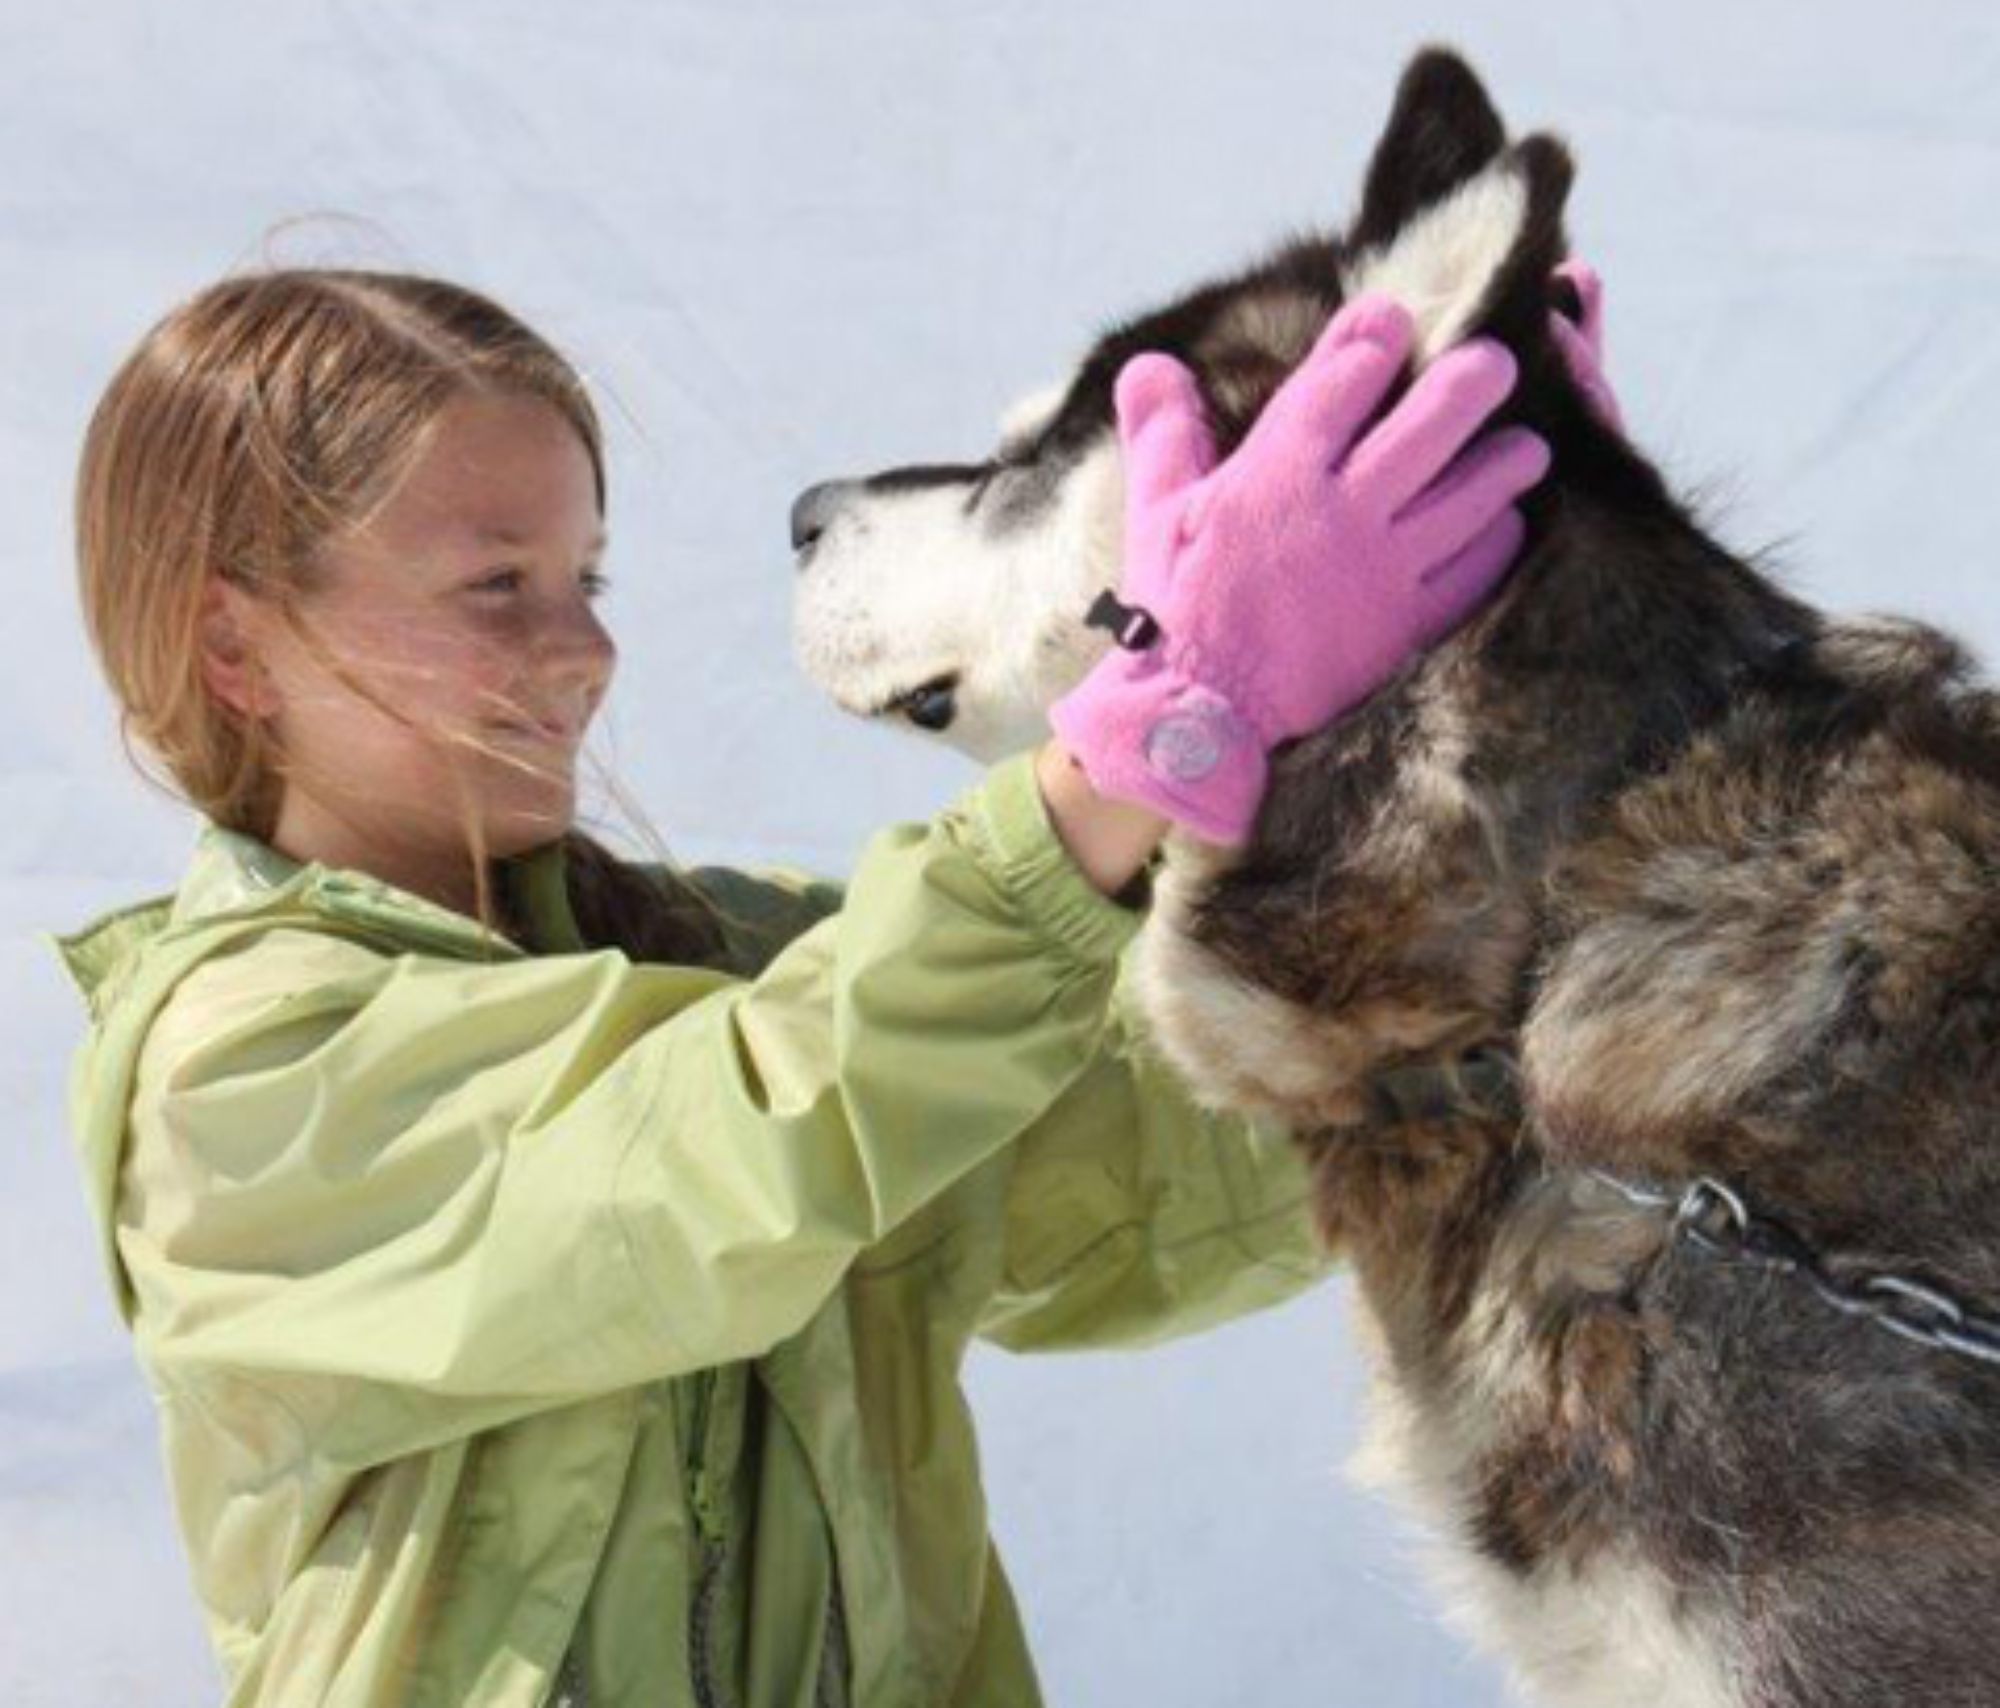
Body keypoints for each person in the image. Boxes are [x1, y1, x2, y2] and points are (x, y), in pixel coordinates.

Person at [53, 266, 1552, 1707]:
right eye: (494, 585)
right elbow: (710, 1167)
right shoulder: (235, 1077)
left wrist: (1429, 849)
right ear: (236, 646)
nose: (582, 648)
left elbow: (1145, 1173)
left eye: (586, 575)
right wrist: (1133, 746)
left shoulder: (726, 965)